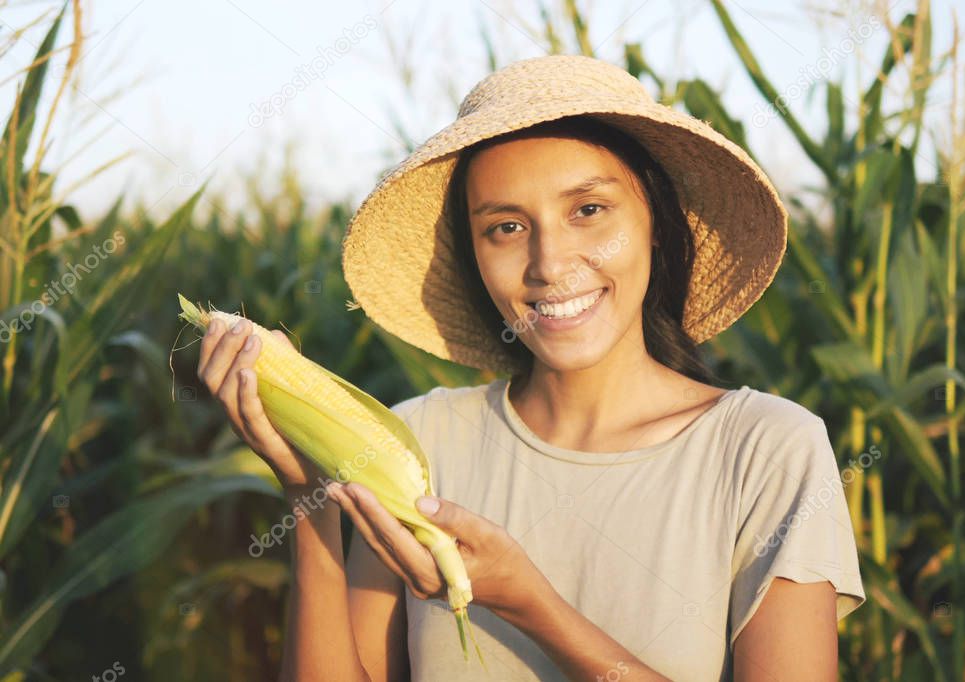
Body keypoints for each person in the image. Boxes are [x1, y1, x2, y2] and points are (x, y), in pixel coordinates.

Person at [197, 54, 866, 681]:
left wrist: (529, 605)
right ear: (475, 255)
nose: (548, 263)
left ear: (656, 224)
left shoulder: (766, 449)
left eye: (588, 211)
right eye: (506, 227)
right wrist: (309, 493)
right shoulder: (415, 443)